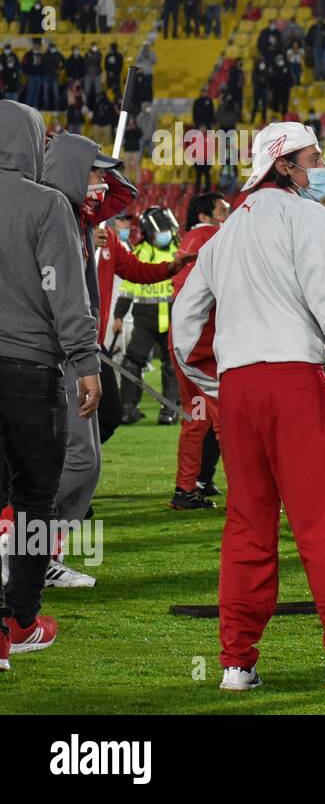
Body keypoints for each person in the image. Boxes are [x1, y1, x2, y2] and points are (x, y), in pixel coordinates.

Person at [172, 122, 325, 693]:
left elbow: (183, 324)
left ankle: (237, 664)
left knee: (247, 527)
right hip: (296, 382)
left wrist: (213, 379)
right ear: (283, 165)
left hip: (240, 390)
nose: (320, 167)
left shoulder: (224, 236)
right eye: (312, 157)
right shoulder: (310, 218)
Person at [0, 101, 102, 656]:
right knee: (36, 501)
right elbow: (67, 292)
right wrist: (85, 364)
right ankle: (19, 621)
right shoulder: (45, 204)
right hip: (31, 371)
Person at [166, 193, 229, 511]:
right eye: (223, 210)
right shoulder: (213, 236)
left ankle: (186, 489)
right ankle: (248, 492)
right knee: (229, 419)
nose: (228, 215)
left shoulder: (191, 238)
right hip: (203, 342)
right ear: (206, 215)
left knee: (197, 416)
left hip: (183, 339)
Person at [113, 207, 180, 426]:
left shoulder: (178, 251)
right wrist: (119, 316)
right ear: (149, 232)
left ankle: (169, 411)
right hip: (144, 320)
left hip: (171, 318)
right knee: (132, 363)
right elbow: (128, 288)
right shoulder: (140, 252)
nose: (165, 233)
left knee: (172, 365)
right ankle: (128, 408)